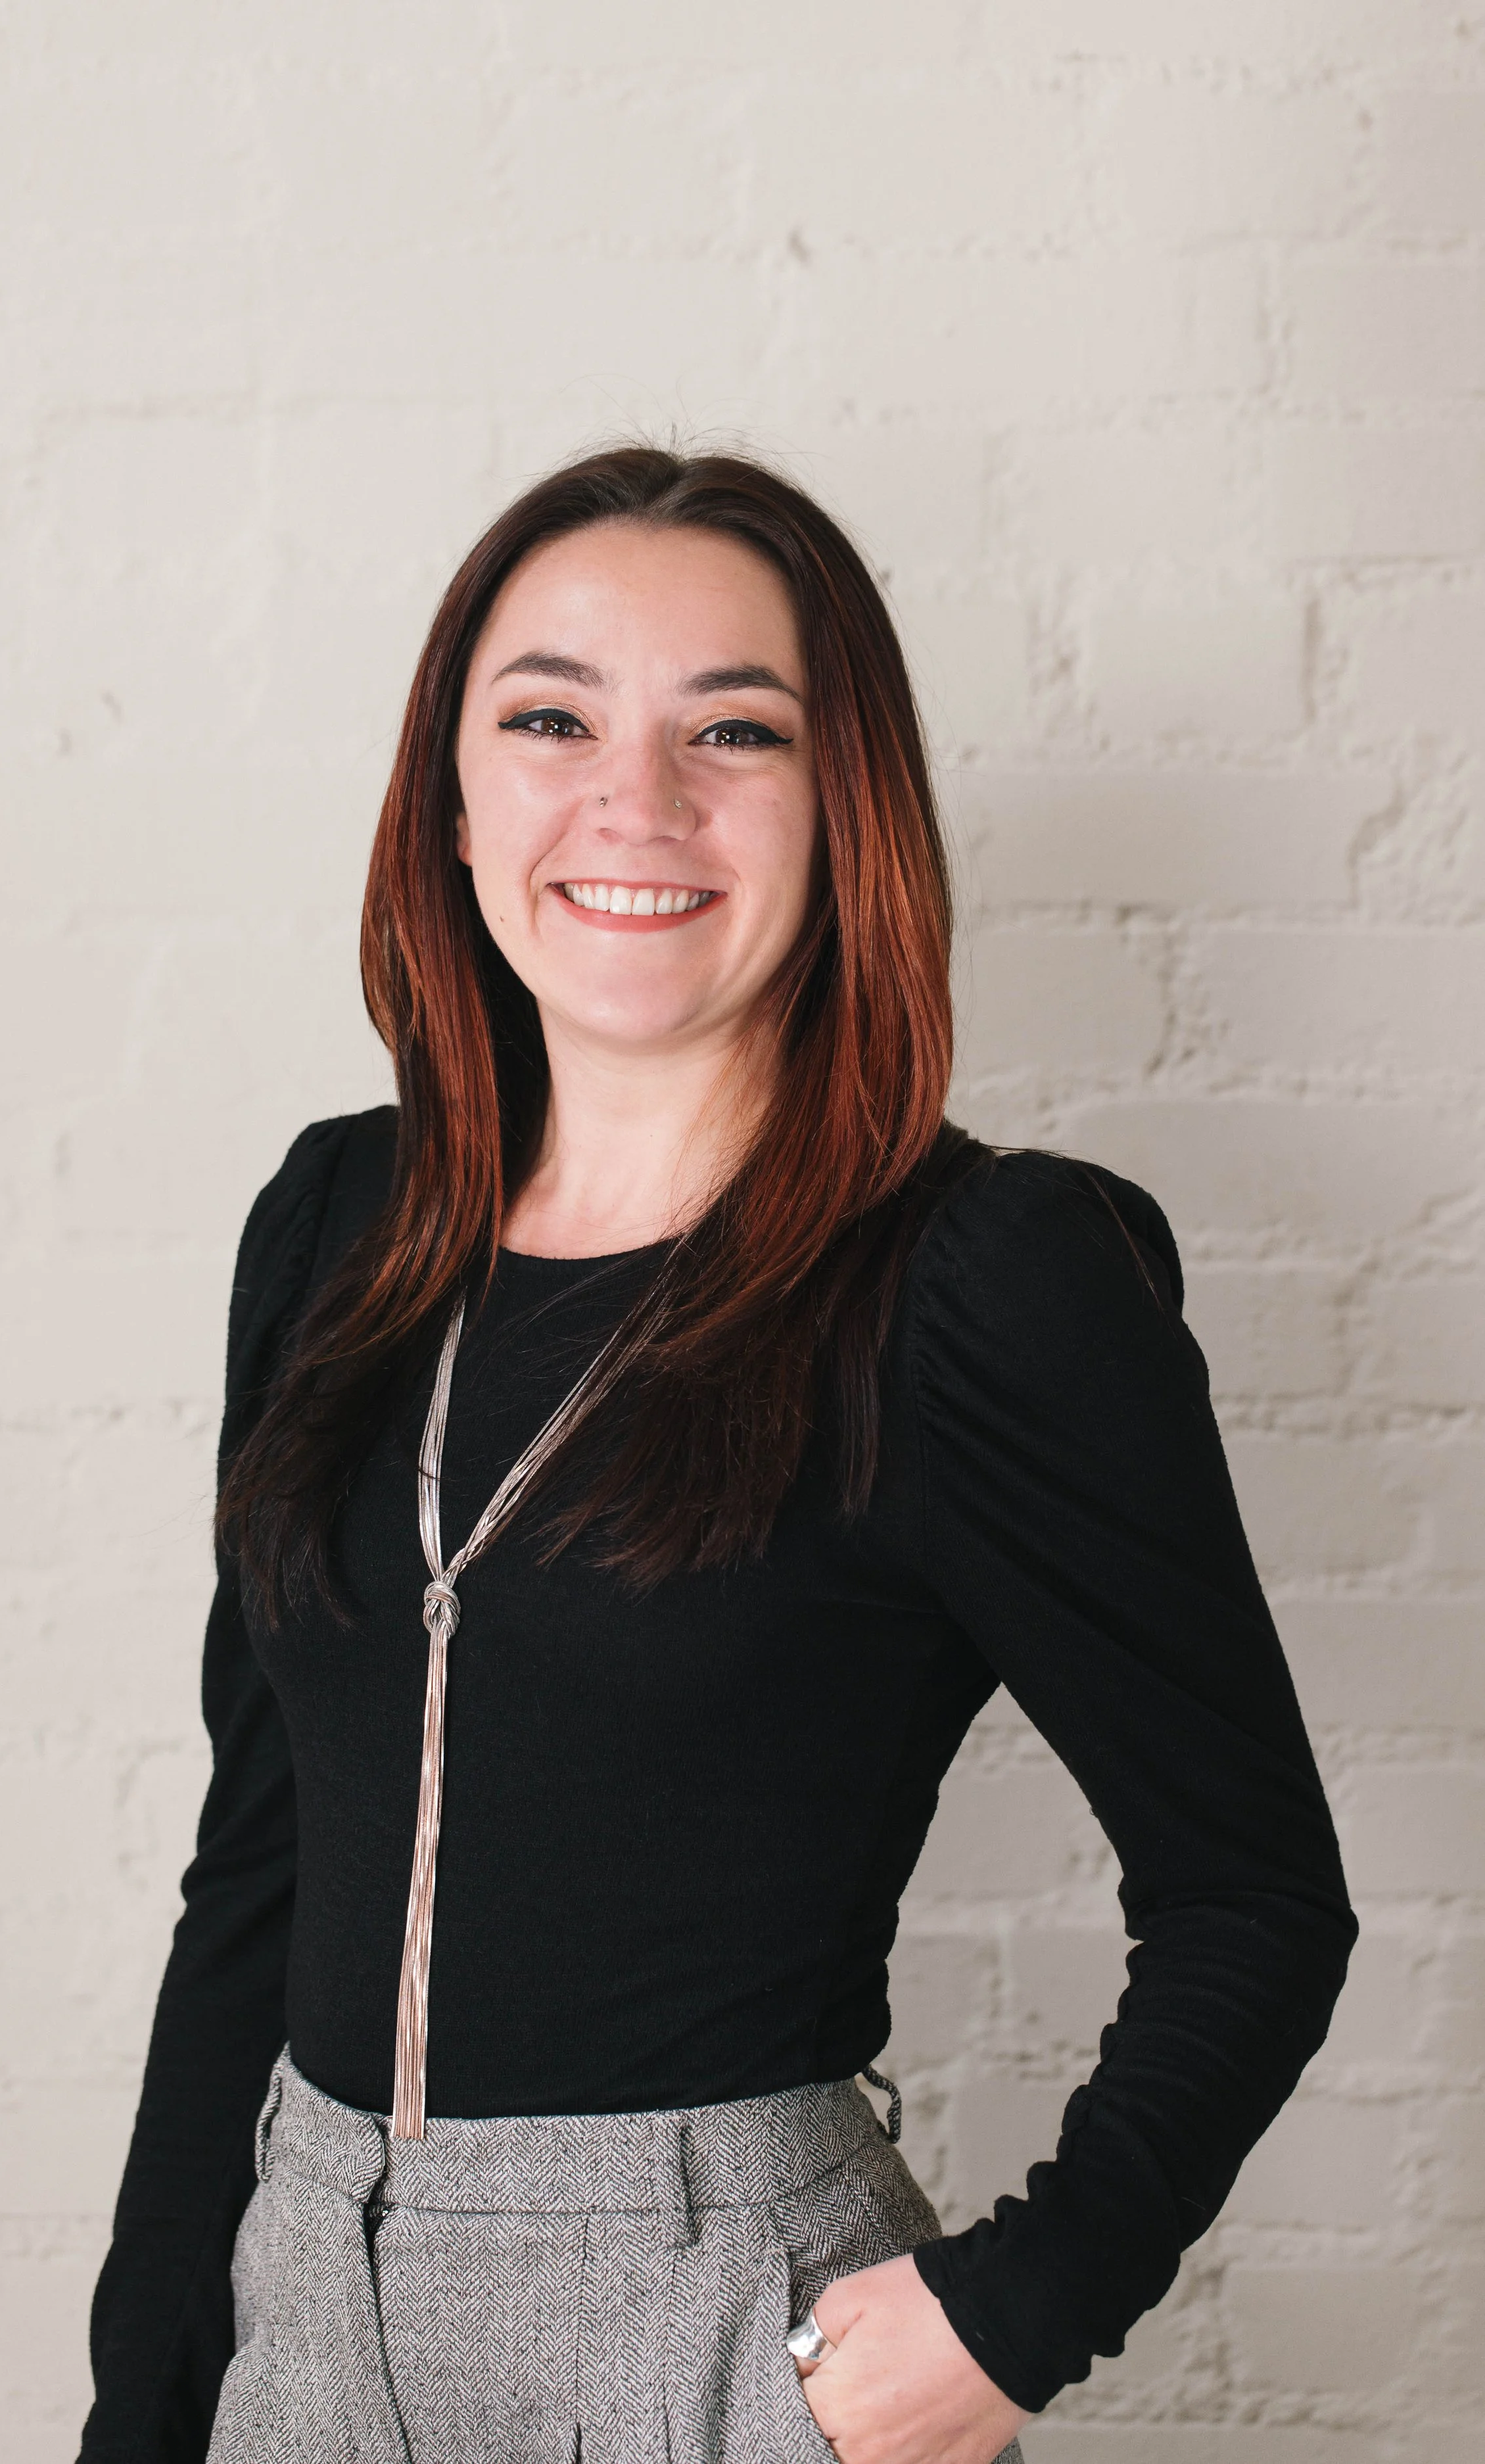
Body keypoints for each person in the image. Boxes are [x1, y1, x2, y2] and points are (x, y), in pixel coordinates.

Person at [77, 446, 1357, 2464]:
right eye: (552, 718)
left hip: (720, 2340)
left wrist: (1013, 2317)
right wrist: (142, 2404)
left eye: (732, 730)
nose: (634, 801)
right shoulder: (332, 1227)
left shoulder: (978, 1280)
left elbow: (1254, 1892)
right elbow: (259, 1862)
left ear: (843, 803)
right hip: (305, 2312)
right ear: (454, 791)